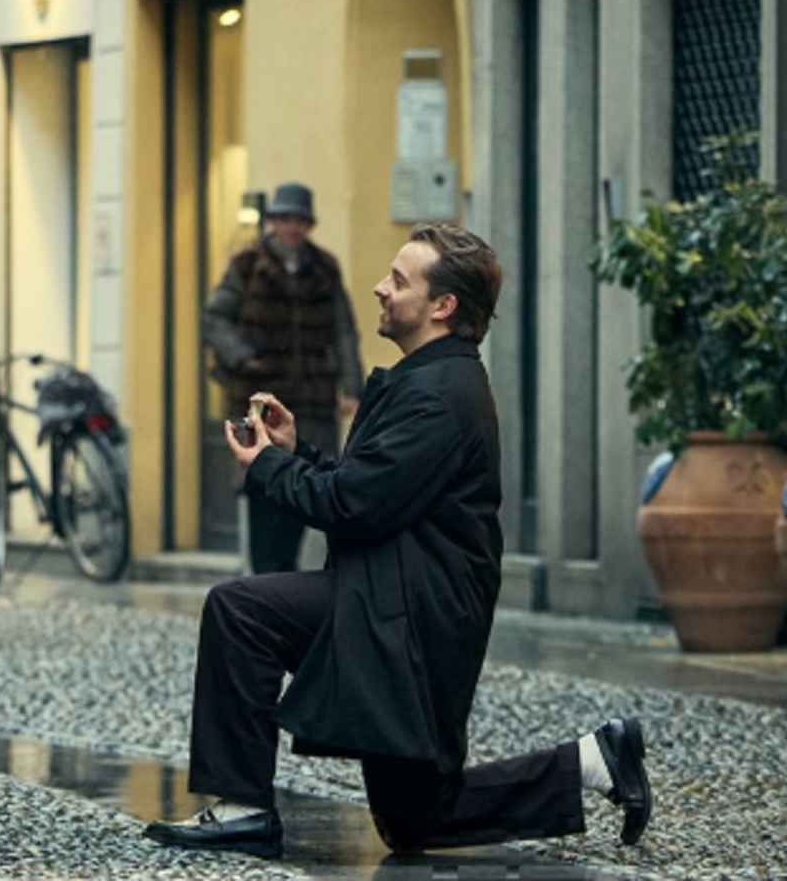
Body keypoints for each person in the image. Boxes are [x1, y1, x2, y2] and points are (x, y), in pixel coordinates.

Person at [145, 223, 651, 859]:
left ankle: (243, 809)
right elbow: (370, 489)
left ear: (443, 306)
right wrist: (295, 453)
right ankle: (594, 760)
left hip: (411, 613)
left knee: (241, 610)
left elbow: (354, 506)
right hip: (396, 598)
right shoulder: (430, 380)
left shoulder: (440, 395)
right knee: (416, 820)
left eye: (399, 280)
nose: (380, 288)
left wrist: (267, 466)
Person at [203, 182, 362, 574]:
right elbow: (215, 318)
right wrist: (243, 357)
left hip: (312, 401)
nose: (292, 228)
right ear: (273, 222)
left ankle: (286, 577)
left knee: (306, 488)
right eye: (285, 219)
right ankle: (266, 580)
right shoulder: (246, 265)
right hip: (261, 399)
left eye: (299, 221)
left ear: (308, 225)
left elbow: (344, 330)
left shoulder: (324, 268)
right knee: (262, 488)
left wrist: (352, 387)